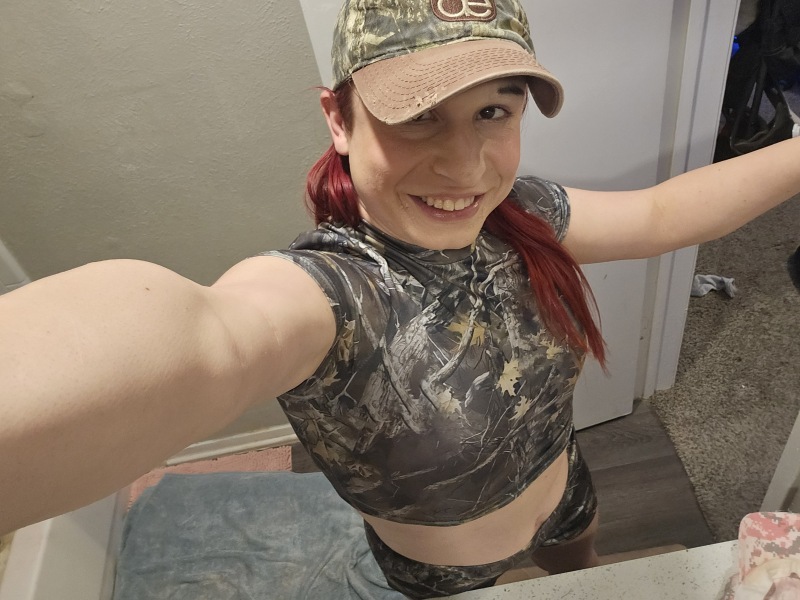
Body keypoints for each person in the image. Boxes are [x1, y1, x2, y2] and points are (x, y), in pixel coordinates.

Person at [1, 0, 798, 596]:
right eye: (418, 117)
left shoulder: (523, 215)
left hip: (567, 494)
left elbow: (659, 216)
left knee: (581, 573)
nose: (466, 165)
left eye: (493, 111)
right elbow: (212, 338)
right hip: (445, 572)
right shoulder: (326, 294)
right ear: (339, 119)